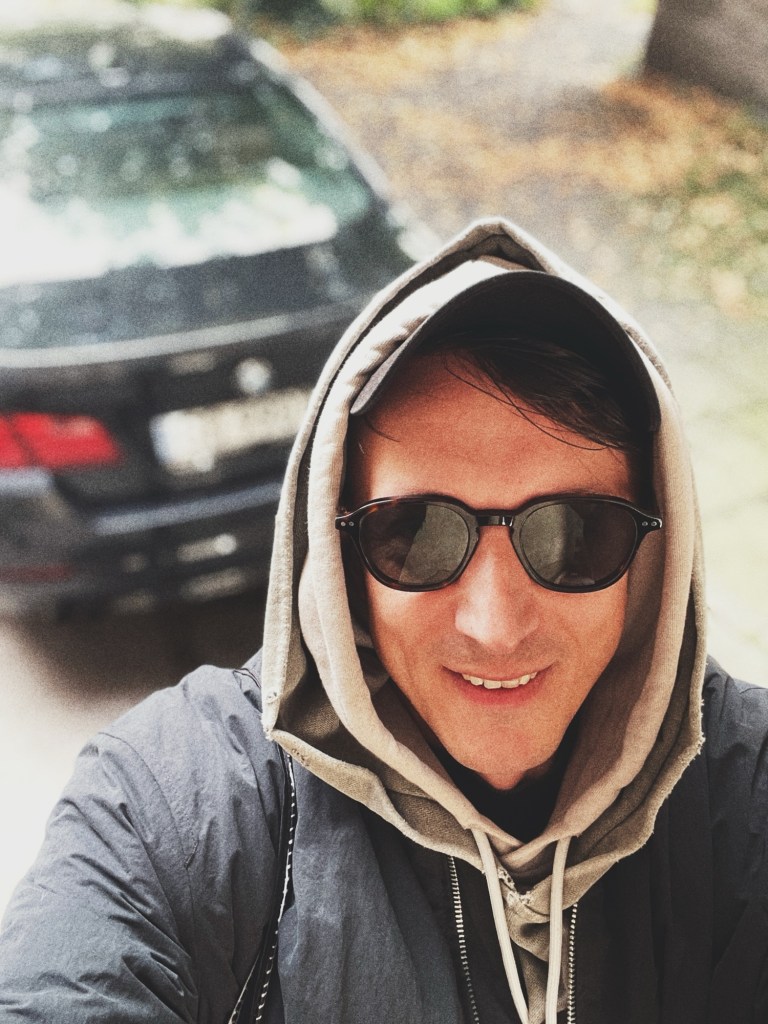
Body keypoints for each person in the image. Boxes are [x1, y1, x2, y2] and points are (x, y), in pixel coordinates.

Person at [1, 217, 767, 1024]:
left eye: (575, 534)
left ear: (654, 553)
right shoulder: (174, 809)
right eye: (419, 534)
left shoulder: (746, 792)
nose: (495, 625)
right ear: (337, 549)